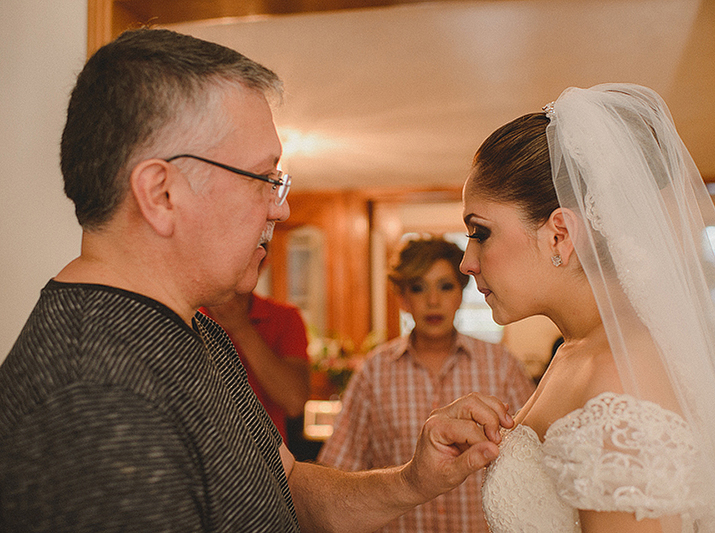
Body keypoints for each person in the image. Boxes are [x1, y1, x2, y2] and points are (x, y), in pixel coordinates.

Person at [0, 28, 515, 532]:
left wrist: (412, 482)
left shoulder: (195, 333)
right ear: (161, 194)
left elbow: (286, 488)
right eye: (263, 179)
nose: (282, 207)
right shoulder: (98, 404)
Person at [460, 84, 715, 532]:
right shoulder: (576, 350)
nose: (466, 261)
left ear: (559, 233)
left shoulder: (620, 372)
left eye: (480, 232)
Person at [318, 236, 533, 532]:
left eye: (445, 286)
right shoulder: (375, 371)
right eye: (419, 288)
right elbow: (338, 467)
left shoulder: (501, 366)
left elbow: (533, 461)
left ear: (461, 293)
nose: (433, 301)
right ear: (403, 298)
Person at [203, 249, 311, 446]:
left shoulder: (285, 318)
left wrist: (241, 327)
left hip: (267, 457)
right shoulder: (188, 313)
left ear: (262, 263)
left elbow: (294, 402)